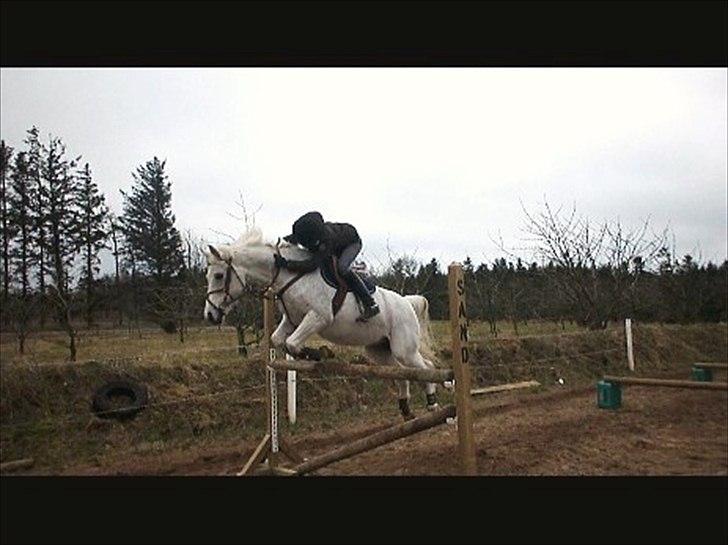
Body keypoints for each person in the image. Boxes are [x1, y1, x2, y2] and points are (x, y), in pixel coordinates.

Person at [276, 211, 380, 321]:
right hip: (338, 242)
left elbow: (312, 265)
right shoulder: (305, 233)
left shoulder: (326, 240)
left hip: (352, 243)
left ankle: (370, 303)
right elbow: (290, 240)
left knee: (342, 268)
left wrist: (287, 264)